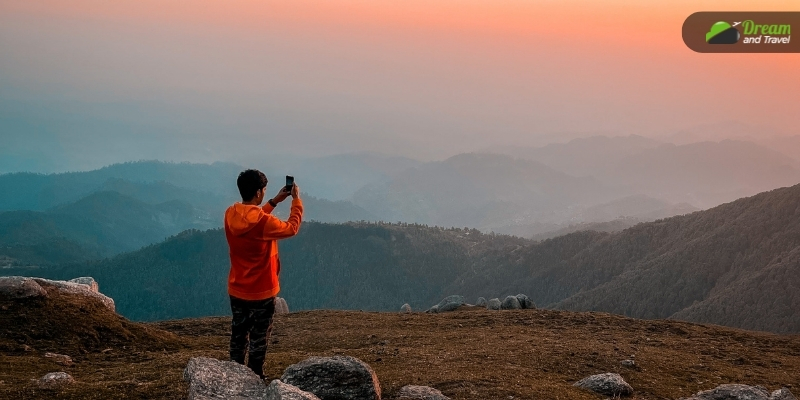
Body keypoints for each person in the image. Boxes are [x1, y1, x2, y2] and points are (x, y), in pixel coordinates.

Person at [224, 169, 303, 379]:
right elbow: (291, 228)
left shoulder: (230, 214)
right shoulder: (262, 223)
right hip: (262, 291)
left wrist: (274, 201)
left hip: (237, 287)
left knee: (239, 335)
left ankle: (235, 374)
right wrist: (296, 201)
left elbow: (254, 221)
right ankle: (255, 377)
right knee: (259, 338)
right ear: (259, 192)